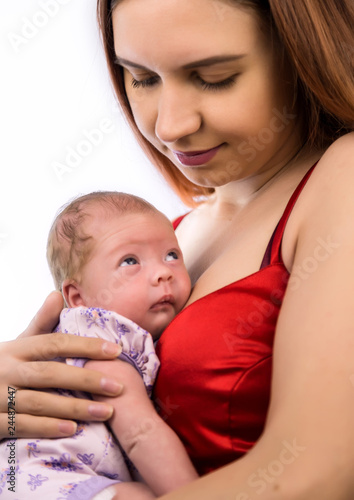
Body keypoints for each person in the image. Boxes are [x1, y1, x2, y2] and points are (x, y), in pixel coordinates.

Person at [1, 0, 354, 498]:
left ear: (301, 55)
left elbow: (313, 476)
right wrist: (17, 409)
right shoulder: (171, 236)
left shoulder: (343, 177)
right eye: (142, 79)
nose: (169, 126)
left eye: (214, 77)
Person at [0, 191, 196, 499]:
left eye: (171, 255)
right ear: (78, 298)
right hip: (42, 476)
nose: (163, 272)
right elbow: (140, 435)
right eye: (130, 261)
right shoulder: (100, 336)